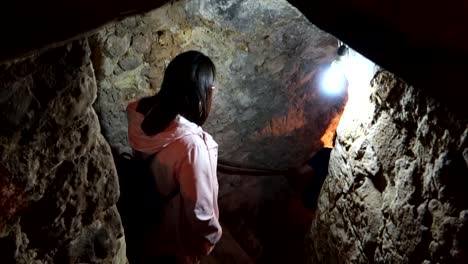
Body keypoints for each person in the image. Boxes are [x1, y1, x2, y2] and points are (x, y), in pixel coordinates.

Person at [126, 50, 222, 264]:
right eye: (211, 88)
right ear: (201, 93)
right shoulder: (192, 147)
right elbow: (200, 212)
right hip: (175, 239)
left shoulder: (137, 111)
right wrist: (209, 241)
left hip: (146, 220)